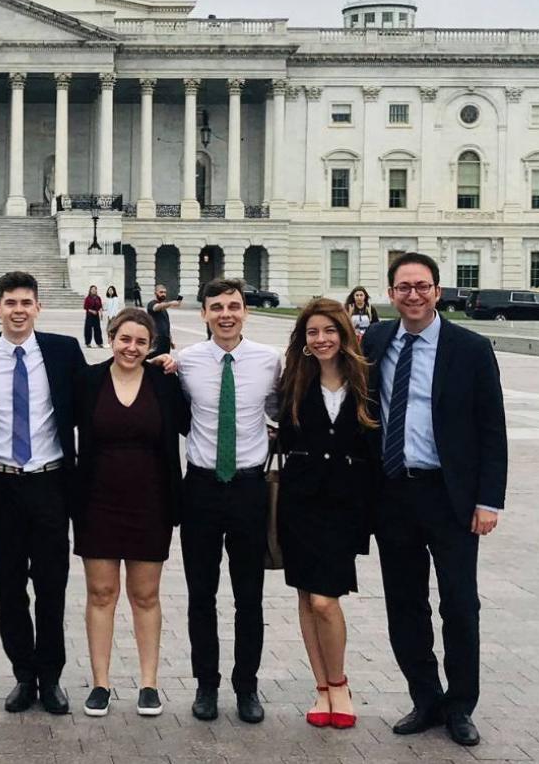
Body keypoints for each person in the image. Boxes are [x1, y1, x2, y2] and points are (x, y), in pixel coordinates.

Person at [362, 253, 507, 749]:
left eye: (422, 286)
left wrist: (489, 500)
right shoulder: (375, 341)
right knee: (405, 604)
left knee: (460, 604)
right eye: (403, 287)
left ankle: (460, 704)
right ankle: (425, 697)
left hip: (451, 498)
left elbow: (492, 428)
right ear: (391, 293)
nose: (413, 295)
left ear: (437, 291)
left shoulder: (470, 347)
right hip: (394, 493)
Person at [0, 271, 85, 715]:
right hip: (1, 484)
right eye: (10, 302)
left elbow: (96, 395)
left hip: (50, 480)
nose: (18, 310)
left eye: (26, 302)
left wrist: (159, 366)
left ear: (38, 307)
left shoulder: (63, 352)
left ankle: (50, 676)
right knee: (9, 584)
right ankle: (23, 674)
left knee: (52, 585)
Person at [166, 276, 281, 725]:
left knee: (249, 596)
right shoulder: (186, 362)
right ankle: (206, 684)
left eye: (234, 305)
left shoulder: (269, 361)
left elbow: (279, 407)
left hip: (250, 488)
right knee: (201, 595)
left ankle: (247, 686)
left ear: (245, 311)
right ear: (204, 314)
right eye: (217, 307)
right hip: (201, 488)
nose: (226, 314)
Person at [73, 308, 187, 719]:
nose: (132, 348)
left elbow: (192, 424)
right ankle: (100, 683)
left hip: (151, 501)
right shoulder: (88, 381)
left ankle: (149, 683)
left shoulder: (164, 383)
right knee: (101, 594)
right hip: (97, 500)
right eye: (125, 339)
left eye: (141, 341)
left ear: (151, 345)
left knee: (145, 595)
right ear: (111, 337)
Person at [275, 298, 376, 731]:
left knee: (324, 600)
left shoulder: (366, 380)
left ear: (344, 334)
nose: (321, 340)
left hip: (344, 505)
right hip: (299, 502)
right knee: (305, 596)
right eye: (313, 333)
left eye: (329, 331)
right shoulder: (293, 381)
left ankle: (340, 682)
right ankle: (322, 688)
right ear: (303, 340)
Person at [146, 285, 180, 358]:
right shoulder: (151, 304)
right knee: (154, 359)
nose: (163, 294)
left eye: (165, 292)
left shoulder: (164, 310)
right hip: (157, 340)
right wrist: (170, 303)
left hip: (165, 340)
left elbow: (166, 325)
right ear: (155, 293)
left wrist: (170, 340)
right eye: (161, 292)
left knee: (164, 360)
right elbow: (156, 307)